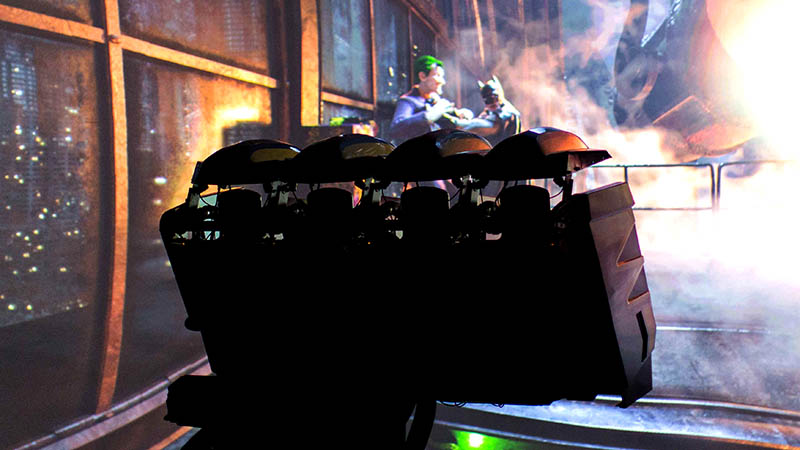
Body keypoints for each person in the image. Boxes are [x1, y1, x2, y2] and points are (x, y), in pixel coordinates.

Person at [388, 55, 474, 145]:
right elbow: (396, 128)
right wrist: (428, 116)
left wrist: (459, 114)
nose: (443, 82)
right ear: (422, 76)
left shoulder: (435, 101)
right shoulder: (408, 101)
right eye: (438, 76)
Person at [459, 75, 522, 146]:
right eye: (488, 100)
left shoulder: (509, 113)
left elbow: (493, 126)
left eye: (494, 97)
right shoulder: (486, 114)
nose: (493, 102)